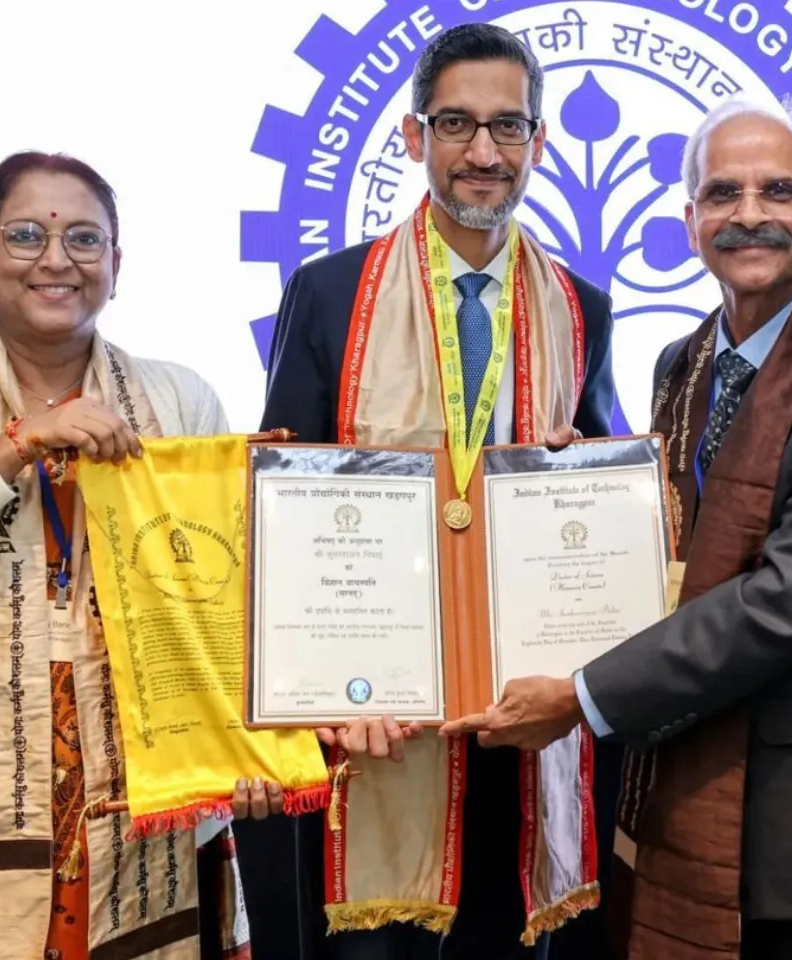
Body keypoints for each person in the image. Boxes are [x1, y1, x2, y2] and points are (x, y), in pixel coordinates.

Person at [439, 95, 792, 960]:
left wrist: (581, 694)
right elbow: (673, 552)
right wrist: (581, 485)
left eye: (778, 192)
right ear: (689, 222)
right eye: (722, 195)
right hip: (683, 796)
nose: (749, 215)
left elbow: (789, 598)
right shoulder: (684, 363)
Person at [252, 22, 618, 960]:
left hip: (517, 722)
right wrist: (324, 690)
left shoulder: (580, 303)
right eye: (457, 124)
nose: (484, 152)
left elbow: (607, 481)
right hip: (374, 723)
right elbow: (283, 506)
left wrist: (579, 469)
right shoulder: (333, 293)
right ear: (414, 137)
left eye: (509, 127)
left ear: (540, 143)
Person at [0, 152, 279, 960]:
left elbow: (230, 599)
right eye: (26, 234)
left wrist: (248, 744)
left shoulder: (179, 399)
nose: (57, 259)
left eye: (85, 238)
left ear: (116, 264)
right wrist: (16, 445)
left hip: (150, 799)